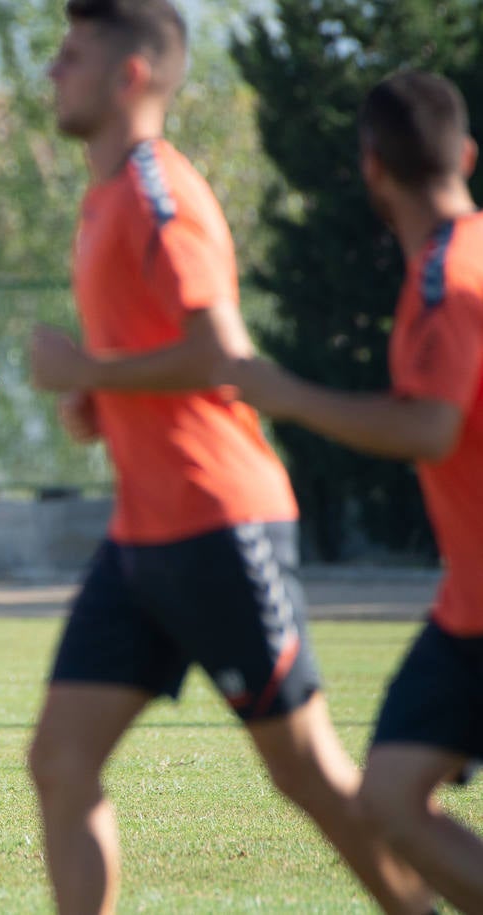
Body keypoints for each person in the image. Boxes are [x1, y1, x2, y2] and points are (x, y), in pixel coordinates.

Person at [24, 3, 434, 913]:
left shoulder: (157, 191)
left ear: (130, 75)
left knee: (310, 776)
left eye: (72, 54)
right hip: (142, 535)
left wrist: (87, 367)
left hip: (219, 520)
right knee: (59, 759)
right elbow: (164, 358)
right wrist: (103, 394)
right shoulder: (102, 199)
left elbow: (222, 352)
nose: (52, 71)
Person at [225, 69, 483, 913]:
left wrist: (288, 395)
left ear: (371, 168)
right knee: (390, 799)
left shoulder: (450, 283)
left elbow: (428, 428)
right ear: (466, 155)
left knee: (393, 801)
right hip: (466, 606)